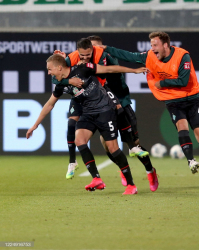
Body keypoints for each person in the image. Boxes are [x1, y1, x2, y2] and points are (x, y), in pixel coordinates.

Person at [99, 31, 199, 184]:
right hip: (173, 101)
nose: (152, 48)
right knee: (181, 127)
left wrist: (162, 83)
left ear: (165, 45)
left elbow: (183, 81)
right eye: (151, 45)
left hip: (193, 99)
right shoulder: (150, 56)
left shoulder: (183, 56)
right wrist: (106, 48)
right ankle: (191, 161)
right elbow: (128, 56)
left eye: (155, 45)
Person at [27, 54, 148, 195]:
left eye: (50, 69)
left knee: (113, 148)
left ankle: (131, 185)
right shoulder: (60, 85)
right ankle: (97, 179)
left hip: (104, 111)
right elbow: (49, 104)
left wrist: (134, 71)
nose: (49, 73)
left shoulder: (83, 69)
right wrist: (35, 125)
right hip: (88, 113)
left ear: (59, 67)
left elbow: (108, 69)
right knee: (79, 140)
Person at [53, 38, 150, 184]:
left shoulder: (103, 56)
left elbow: (111, 70)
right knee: (73, 124)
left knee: (120, 112)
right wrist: (69, 80)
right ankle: (73, 162)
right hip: (82, 98)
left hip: (103, 93)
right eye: (82, 55)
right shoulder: (72, 58)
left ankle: (142, 160)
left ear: (95, 49)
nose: (85, 57)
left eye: (89, 53)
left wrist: (134, 71)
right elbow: (56, 78)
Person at [87, 35, 158, 191]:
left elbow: (111, 69)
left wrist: (133, 70)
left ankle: (150, 171)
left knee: (134, 144)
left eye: (98, 47)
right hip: (104, 108)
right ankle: (123, 167)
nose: (95, 51)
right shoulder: (86, 64)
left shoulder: (108, 59)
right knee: (107, 145)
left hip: (122, 104)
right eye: (92, 48)